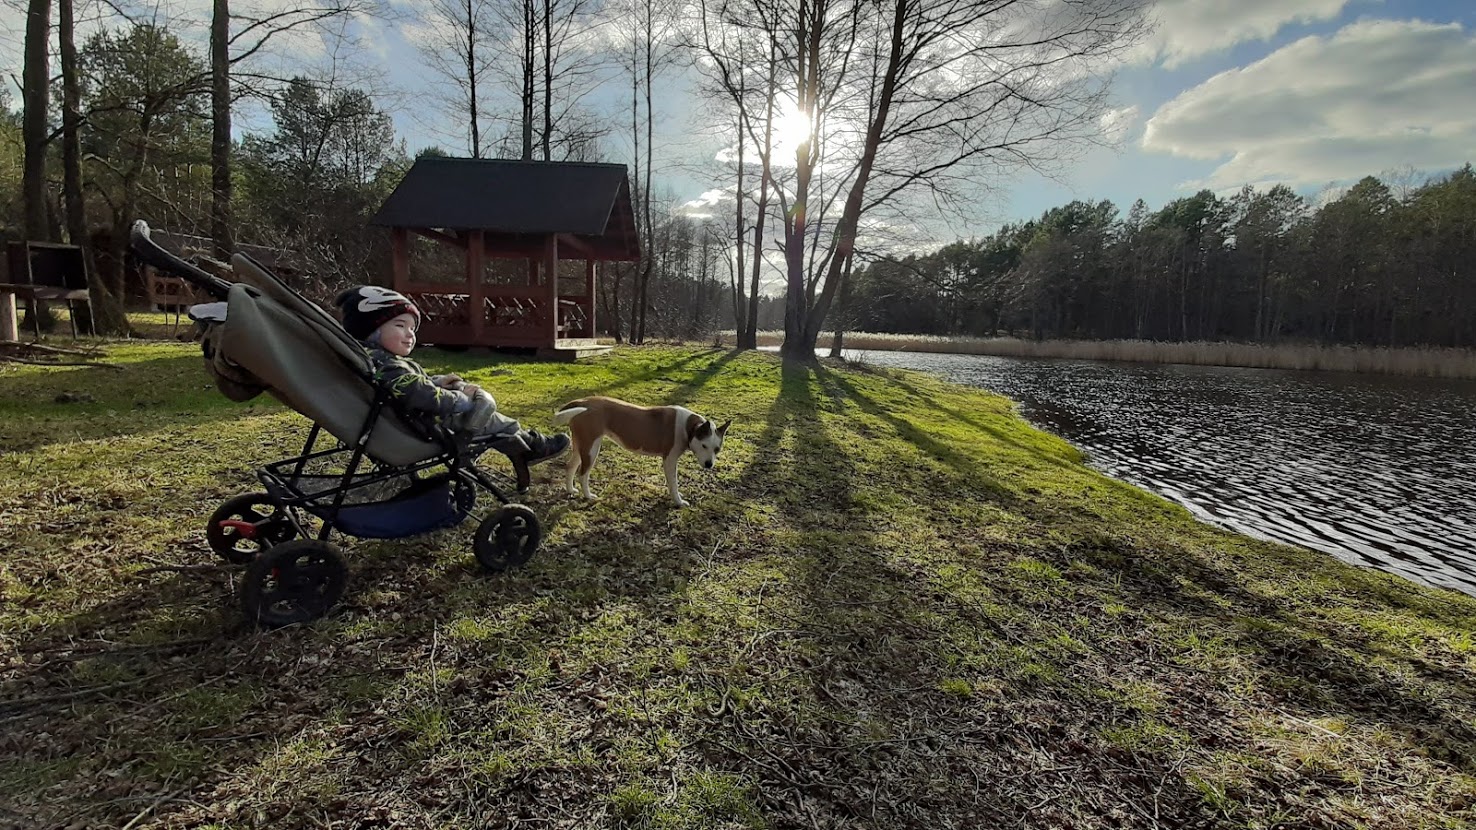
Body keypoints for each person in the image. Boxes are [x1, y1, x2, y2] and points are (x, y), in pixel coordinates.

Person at [333, 285, 569, 471]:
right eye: (400, 325)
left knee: (495, 421)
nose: (410, 335)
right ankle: (534, 447)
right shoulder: (387, 364)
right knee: (495, 421)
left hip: (405, 419)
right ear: (370, 329)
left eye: (413, 329)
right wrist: (460, 399)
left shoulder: (374, 360)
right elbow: (420, 394)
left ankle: (526, 445)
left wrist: (436, 381)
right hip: (428, 423)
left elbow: (405, 387)